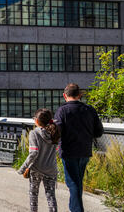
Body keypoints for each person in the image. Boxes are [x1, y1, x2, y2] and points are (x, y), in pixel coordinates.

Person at [54, 83, 103, 212]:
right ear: (79, 95)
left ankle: (77, 210)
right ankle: (73, 208)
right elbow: (99, 132)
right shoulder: (90, 110)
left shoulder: (62, 111)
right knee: (77, 181)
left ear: (65, 95)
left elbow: (57, 131)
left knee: (72, 182)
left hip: (68, 151)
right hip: (85, 150)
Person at [18, 108, 60, 212]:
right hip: (51, 169)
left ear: (36, 120)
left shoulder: (34, 133)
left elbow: (34, 153)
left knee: (33, 195)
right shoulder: (54, 132)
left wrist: (23, 168)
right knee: (51, 196)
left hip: (36, 169)